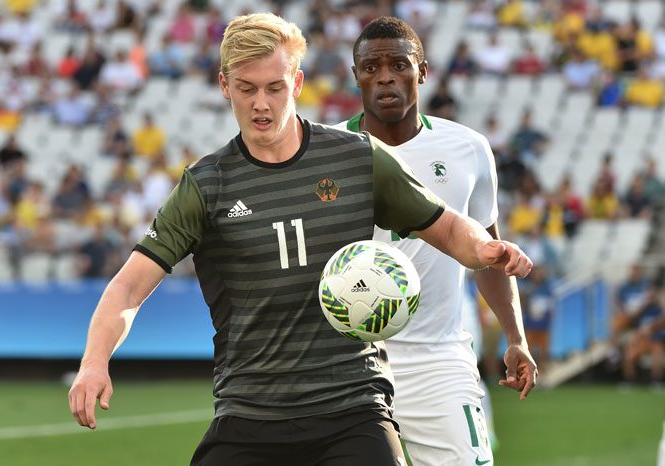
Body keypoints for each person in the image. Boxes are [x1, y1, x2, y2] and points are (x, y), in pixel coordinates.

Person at [68, 13, 532, 466]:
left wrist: (483, 249)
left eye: (274, 87)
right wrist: (94, 361)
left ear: (297, 83)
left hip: (353, 409)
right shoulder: (205, 186)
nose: (261, 104)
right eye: (246, 89)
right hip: (249, 412)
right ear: (225, 86)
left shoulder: (357, 158)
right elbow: (129, 286)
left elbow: (448, 226)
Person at [338, 17, 537, 465]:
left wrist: (515, 338)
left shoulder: (467, 148)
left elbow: (488, 254)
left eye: (399, 65)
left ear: (422, 71)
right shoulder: (326, 151)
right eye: (371, 67)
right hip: (349, 365)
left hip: (439, 359)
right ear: (356, 75)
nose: (385, 76)